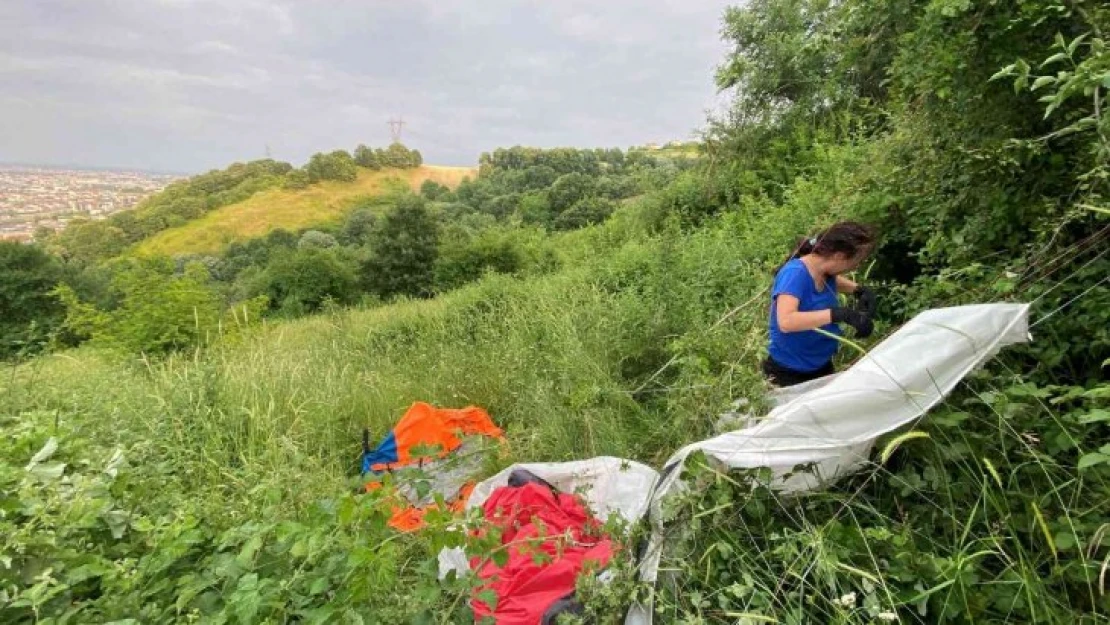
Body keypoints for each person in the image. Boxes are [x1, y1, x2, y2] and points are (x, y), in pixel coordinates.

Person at [764, 221, 878, 387]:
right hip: (789, 372)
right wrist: (840, 314)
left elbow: (830, 279)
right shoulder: (795, 274)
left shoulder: (823, 270)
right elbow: (786, 321)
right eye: (856, 261)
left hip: (820, 364)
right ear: (839, 256)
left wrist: (858, 290)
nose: (856, 266)